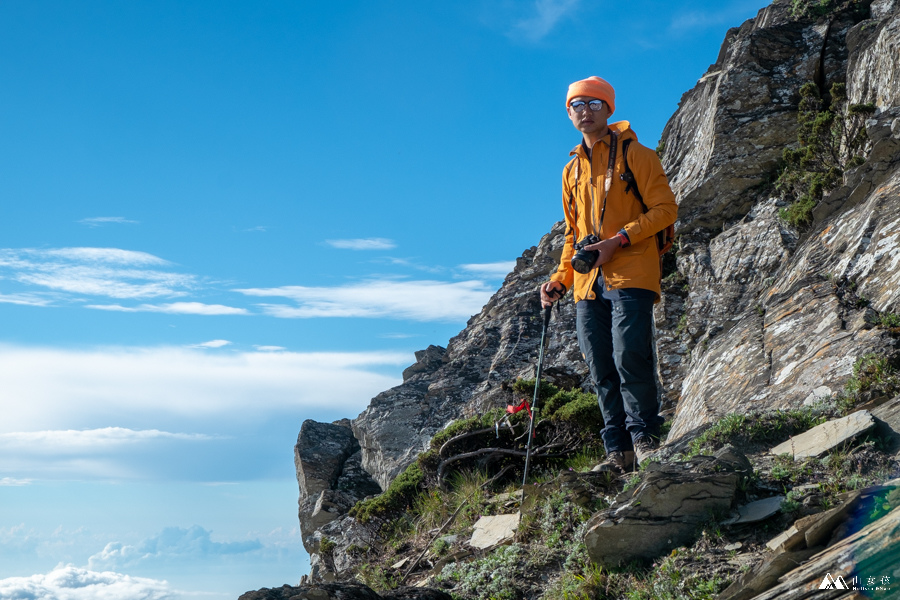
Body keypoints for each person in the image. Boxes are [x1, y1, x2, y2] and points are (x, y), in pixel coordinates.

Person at [539, 76, 678, 474]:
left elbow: (666, 210)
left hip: (631, 271)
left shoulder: (638, 155)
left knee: (629, 354)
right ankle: (617, 452)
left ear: (608, 108)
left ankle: (645, 438)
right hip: (586, 283)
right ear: (569, 112)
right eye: (576, 105)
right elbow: (572, 235)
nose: (584, 111)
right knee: (600, 365)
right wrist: (560, 280)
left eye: (594, 104)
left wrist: (619, 239)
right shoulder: (570, 171)